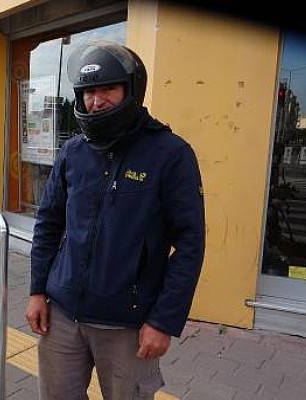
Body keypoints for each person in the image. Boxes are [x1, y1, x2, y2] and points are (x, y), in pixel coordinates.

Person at [25, 41, 206, 400]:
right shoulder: (72, 152)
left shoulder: (170, 154)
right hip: (62, 314)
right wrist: (37, 290)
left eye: (108, 88)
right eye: (89, 91)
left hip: (128, 325)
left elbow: (190, 243)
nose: (96, 100)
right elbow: (48, 223)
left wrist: (163, 321)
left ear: (131, 89)